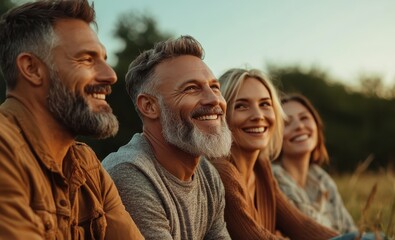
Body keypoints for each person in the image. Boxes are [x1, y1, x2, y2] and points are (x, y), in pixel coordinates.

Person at [0, 0, 145, 239]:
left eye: (104, 59)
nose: (110, 75)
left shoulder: (87, 164)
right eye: (87, 60)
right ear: (32, 68)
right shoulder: (6, 151)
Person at [102, 35, 232, 240]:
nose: (213, 99)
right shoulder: (130, 173)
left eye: (215, 87)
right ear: (149, 106)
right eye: (191, 88)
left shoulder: (207, 173)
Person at [210, 68, 339, 239]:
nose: (258, 115)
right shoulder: (221, 171)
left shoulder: (262, 169)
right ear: (222, 115)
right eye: (241, 106)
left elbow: (300, 225)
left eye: (265, 104)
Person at [272, 93, 357, 233]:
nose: (299, 126)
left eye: (304, 118)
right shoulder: (273, 180)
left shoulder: (322, 179)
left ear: (317, 125)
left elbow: (351, 230)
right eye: (286, 123)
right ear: (274, 137)